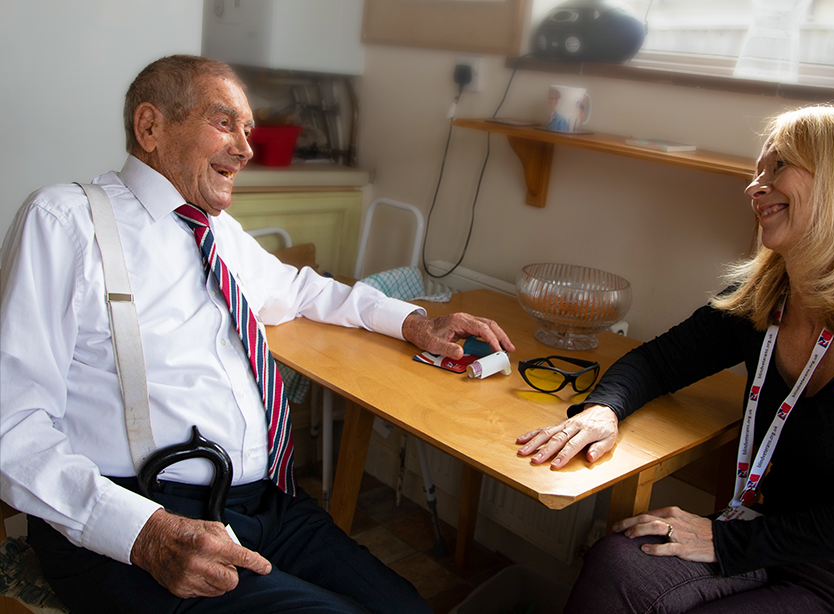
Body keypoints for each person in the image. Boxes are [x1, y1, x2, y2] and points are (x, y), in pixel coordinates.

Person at [0, 55, 515, 614]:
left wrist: (414, 320)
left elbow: (300, 290)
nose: (246, 148)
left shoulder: (216, 230)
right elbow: (13, 425)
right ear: (150, 127)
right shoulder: (63, 221)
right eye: (225, 124)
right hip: (140, 519)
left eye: (249, 130)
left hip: (263, 506)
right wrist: (143, 533)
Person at [515, 105, 834, 612]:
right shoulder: (761, 299)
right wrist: (604, 410)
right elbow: (658, 361)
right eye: (758, 170)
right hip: (767, 535)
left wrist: (727, 544)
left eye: (779, 167)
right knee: (619, 563)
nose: (755, 187)